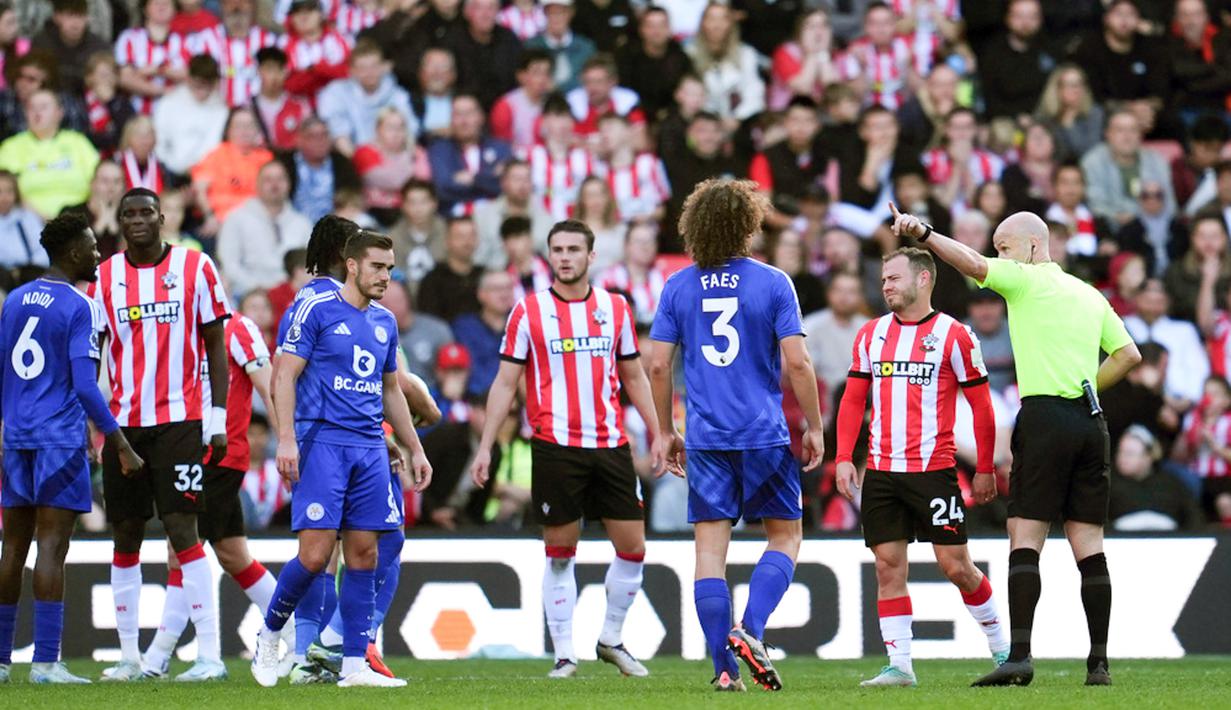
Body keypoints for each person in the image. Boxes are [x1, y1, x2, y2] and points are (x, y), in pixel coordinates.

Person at [888, 201, 1142, 686]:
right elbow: (1128, 355)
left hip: (1044, 417)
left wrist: (924, 233)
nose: (1000, 256)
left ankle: (1020, 656)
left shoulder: (1025, 279)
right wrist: (1087, 386)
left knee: (1025, 538)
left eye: (1005, 247)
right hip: (1090, 421)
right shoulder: (1090, 295)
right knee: (1089, 544)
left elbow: (973, 264)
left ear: (1032, 246)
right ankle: (1099, 664)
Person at [648, 179, 823, 692]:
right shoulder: (773, 282)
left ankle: (724, 670)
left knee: (709, 553)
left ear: (694, 227)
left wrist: (666, 430)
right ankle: (752, 628)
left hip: (706, 438)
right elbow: (798, 363)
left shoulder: (678, 286)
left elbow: (658, 366)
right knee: (785, 536)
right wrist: (814, 425)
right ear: (749, 224)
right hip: (763, 434)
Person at [470, 219, 659, 680]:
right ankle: (564, 654)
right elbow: (505, 383)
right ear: (549, 255)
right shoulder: (528, 311)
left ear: (591, 256)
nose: (565, 257)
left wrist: (660, 432)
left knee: (633, 548)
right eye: (557, 249)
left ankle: (611, 638)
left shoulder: (615, 308)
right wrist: (486, 446)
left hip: (610, 443)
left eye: (574, 249)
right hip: (556, 446)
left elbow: (634, 376)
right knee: (559, 551)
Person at [251, 230, 431, 688]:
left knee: (365, 552)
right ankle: (269, 634)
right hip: (323, 442)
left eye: (390, 269)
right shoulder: (315, 308)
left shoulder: (385, 322)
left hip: (369, 446)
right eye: (377, 267)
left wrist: (414, 446)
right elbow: (284, 376)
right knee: (314, 555)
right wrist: (286, 440)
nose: (385, 277)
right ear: (351, 265)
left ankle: (353, 666)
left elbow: (391, 390)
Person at [835, 247, 1009, 687]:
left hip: (934, 470)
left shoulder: (955, 335)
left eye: (894, 278)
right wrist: (843, 457)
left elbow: (982, 406)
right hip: (882, 471)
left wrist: (985, 466)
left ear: (923, 279)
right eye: (883, 280)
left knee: (957, 567)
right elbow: (853, 399)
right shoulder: (871, 334)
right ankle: (900, 665)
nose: (886, 286)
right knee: (887, 565)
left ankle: (1004, 650)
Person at [91, 187, 233, 682]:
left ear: (161, 218)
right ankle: (129, 657)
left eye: (146, 212)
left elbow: (216, 346)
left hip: (180, 421)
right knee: (125, 533)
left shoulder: (196, 266)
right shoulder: (105, 276)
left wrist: (217, 417)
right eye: (128, 214)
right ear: (120, 222)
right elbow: (94, 353)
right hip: (123, 426)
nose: (137, 220)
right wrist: (94, 422)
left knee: (182, 530)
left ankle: (210, 656)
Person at [0, 213, 143, 684]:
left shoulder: (15, 299)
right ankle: (45, 663)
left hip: (16, 438)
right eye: (92, 247)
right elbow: (84, 385)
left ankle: (1, 662)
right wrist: (119, 442)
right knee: (51, 546)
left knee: (12, 548)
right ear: (72, 251)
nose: (99, 254)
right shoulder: (81, 306)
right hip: (57, 441)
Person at [140, 308, 284, 678]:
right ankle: (297, 635)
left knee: (181, 549)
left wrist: (286, 440)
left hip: (222, 456)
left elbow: (269, 386)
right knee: (234, 555)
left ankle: (160, 657)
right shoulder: (181, 331)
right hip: (189, 455)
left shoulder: (239, 328)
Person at [216, 160, 312, 297]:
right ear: (257, 184)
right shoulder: (236, 219)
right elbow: (229, 264)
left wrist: (287, 290)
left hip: (292, 295)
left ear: (289, 184)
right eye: (268, 180)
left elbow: (310, 267)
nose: (275, 185)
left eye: (280, 179)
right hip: (247, 294)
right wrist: (257, 289)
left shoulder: (302, 223)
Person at [0, 89, 98, 219]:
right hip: (27, 221)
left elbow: (99, 182)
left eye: (43, 107)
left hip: (80, 220)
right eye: (31, 108)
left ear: (59, 113)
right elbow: (6, 190)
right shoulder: (11, 147)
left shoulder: (79, 142)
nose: (37, 113)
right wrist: (43, 220)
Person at [151, 54, 228, 179]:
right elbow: (158, 141)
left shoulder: (222, 110)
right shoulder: (169, 102)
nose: (202, 91)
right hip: (167, 172)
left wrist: (196, 169)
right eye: (197, 84)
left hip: (204, 174)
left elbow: (214, 146)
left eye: (207, 85)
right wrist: (171, 166)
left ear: (215, 83)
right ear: (188, 78)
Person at [451, 269, 514, 396]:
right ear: (481, 294)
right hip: (478, 400)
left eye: (508, 288)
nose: (504, 294)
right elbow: (471, 372)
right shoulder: (465, 328)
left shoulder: (523, 324)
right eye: (497, 289)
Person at [525, 0, 594, 94]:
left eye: (561, 13)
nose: (556, 18)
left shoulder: (585, 47)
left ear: (571, 13)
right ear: (545, 14)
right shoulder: (532, 46)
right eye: (551, 13)